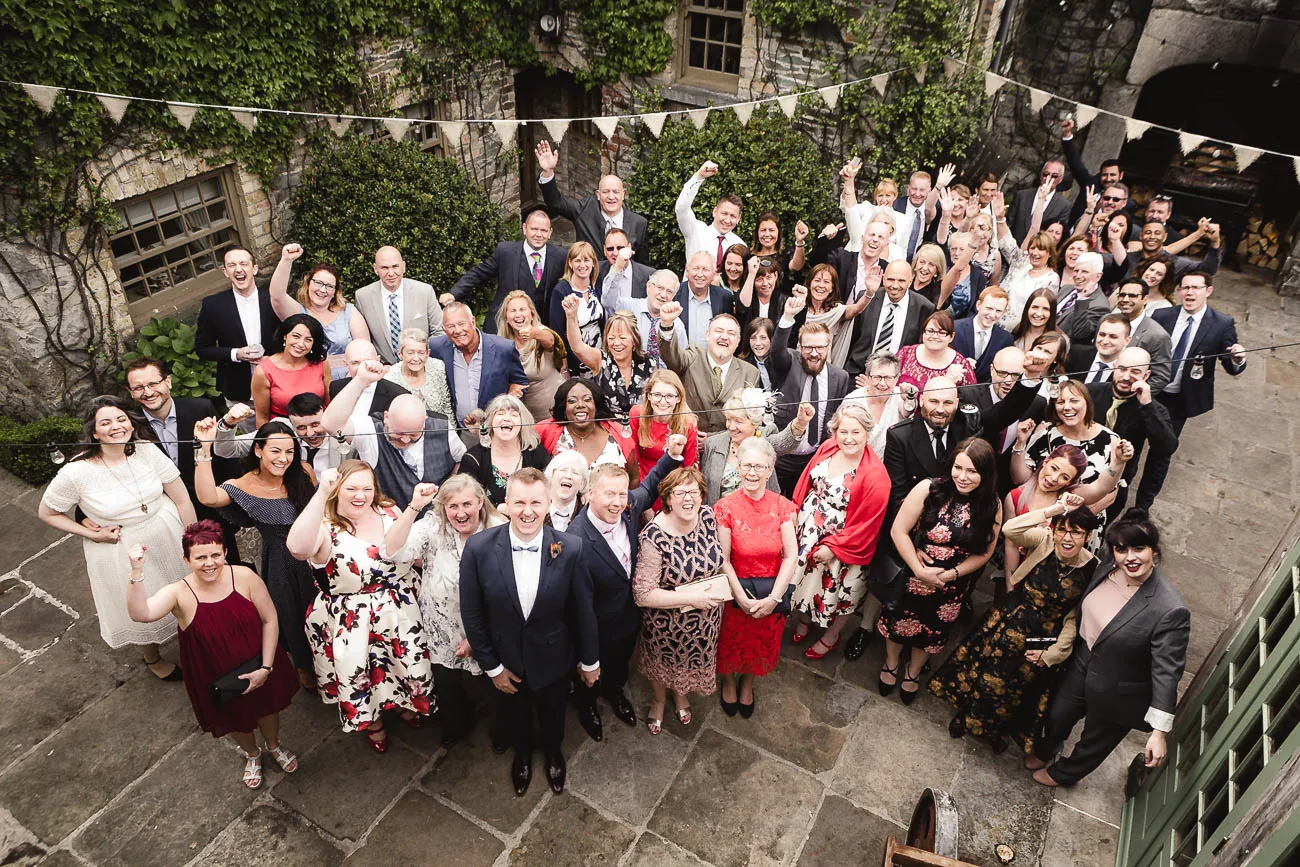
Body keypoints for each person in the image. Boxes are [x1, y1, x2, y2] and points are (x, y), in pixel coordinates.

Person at [459, 467, 600, 795]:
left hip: (554, 656)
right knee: (514, 713)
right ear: (506, 503)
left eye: (536, 502)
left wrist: (589, 660)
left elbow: (584, 611)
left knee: (554, 713)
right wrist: (492, 667)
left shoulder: (571, 548)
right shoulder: (479, 549)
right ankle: (522, 755)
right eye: (519, 502)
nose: (527, 511)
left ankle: (553, 753)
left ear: (549, 503)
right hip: (506, 658)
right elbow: (473, 613)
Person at [125, 523, 299, 788]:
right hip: (215, 671)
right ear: (187, 560)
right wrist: (136, 571)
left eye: (215, 555)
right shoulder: (178, 593)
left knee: (268, 708)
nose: (209, 563)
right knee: (235, 718)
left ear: (225, 552)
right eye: (200, 557)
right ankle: (253, 755)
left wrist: (265, 667)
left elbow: (270, 619)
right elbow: (141, 614)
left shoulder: (244, 576)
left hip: (259, 660)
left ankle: (273, 745)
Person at [1027, 509, 1190, 788]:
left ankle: (1066, 773)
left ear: (1155, 552)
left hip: (1121, 686)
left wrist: (1159, 731)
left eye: (1139, 549)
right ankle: (1046, 749)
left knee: (1095, 738)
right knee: (1059, 713)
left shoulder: (1170, 609)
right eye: (1122, 549)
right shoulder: (1107, 566)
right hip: (1083, 659)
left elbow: (1168, 672)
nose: (1130, 558)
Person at [37, 396, 197, 679]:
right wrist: (91, 534)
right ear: (94, 432)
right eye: (106, 422)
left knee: (185, 588)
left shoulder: (146, 450)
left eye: (121, 419)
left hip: (167, 531)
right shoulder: (76, 472)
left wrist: (194, 538)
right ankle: (152, 658)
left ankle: (196, 641)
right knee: (142, 600)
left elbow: (181, 496)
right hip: (123, 547)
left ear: (131, 423)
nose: (116, 426)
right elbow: (47, 513)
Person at [931, 494, 1098, 755]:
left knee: (1016, 690)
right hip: (1010, 618)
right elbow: (1011, 529)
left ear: (1088, 537)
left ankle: (994, 730)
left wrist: (1053, 653)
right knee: (985, 672)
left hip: (1043, 636)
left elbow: (1075, 618)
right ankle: (967, 719)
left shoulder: (1092, 569)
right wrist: (1055, 510)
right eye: (1062, 530)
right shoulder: (1044, 540)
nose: (1067, 538)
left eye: (1076, 533)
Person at [288, 462, 435, 751]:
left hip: (401, 609)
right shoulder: (323, 528)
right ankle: (375, 720)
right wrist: (320, 495)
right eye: (351, 488)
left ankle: (404, 703)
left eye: (367, 488)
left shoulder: (390, 511)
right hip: (353, 618)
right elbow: (297, 548)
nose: (361, 495)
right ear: (336, 489)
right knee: (363, 671)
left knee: (403, 665)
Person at [568, 439, 687, 740]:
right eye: (609, 494)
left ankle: (615, 692)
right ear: (589, 494)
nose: (617, 502)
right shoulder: (576, 542)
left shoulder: (629, 506)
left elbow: (647, 489)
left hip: (628, 617)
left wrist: (671, 457)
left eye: (621, 494)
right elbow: (579, 607)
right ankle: (587, 707)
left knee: (620, 665)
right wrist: (588, 659)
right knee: (589, 678)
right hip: (597, 624)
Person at [194, 418, 318, 688]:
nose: (283, 458)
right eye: (275, 451)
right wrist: (203, 449)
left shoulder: (304, 472)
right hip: (283, 562)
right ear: (258, 450)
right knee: (292, 614)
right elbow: (207, 498)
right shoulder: (243, 485)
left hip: (318, 555)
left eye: (289, 451)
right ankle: (303, 664)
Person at [877, 438, 1002, 704]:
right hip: (913, 573)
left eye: (973, 471)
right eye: (959, 468)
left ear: (986, 473)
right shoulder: (928, 488)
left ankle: (913, 671)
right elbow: (898, 530)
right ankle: (891, 663)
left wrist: (951, 575)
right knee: (899, 624)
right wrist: (917, 569)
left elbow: (986, 553)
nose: (963, 477)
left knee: (932, 631)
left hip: (950, 584)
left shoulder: (992, 504)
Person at [386, 475, 505, 748]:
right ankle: (456, 726)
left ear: (480, 502)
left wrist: (477, 637)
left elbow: (505, 592)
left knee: (490, 687)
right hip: (441, 629)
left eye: (467, 504)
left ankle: (502, 732)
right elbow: (391, 552)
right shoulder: (432, 525)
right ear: (443, 508)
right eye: (453, 506)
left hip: (487, 629)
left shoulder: (498, 529)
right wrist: (414, 506)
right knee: (449, 687)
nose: (461, 513)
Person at [788, 403, 891, 659]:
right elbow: (806, 481)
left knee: (842, 591)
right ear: (835, 431)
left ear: (868, 433)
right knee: (803, 581)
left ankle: (831, 635)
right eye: (843, 431)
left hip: (843, 541)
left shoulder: (877, 476)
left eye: (856, 432)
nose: (849, 438)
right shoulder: (827, 448)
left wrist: (833, 548)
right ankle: (804, 618)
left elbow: (868, 524)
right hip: (807, 531)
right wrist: (794, 511)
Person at [633, 466, 730, 734]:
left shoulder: (708, 517)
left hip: (705, 620)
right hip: (667, 624)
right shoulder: (655, 536)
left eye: (695, 492)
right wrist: (691, 598)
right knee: (662, 665)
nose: (689, 499)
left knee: (688, 665)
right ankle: (659, 700)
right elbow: (643, 594)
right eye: (681, 492)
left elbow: (722, 559)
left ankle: (680, 693)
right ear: (667, 498)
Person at [1138, 271, 1247, 509]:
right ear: (1178, 291)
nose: (1189, 293)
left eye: (1196, 288)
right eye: (1185, 288)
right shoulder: (1161, 315)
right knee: (1132, 443)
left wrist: (1238, 358)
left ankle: (1142, 507)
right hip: (1148, 391)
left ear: (1208, 291)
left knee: (1161, 452)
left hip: (1178, 400)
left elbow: (1231, 364)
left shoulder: (1221, 324)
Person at [714, 438, 799, 717]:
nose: (752, 472)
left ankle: (748, 680)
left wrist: (774, 599)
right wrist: (740, 598)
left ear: (770, 468)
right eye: (746, 465)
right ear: (738, 466)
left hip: (771, 591)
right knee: (729, 642)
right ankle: (727, 679)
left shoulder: (783, 507)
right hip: (735, 591)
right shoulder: (725, 507)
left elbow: (790, 555)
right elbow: (723, 559)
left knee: (760, 643)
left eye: (758, 466)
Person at [124, 357, 240, 559]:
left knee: (227, 568)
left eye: (153, 383)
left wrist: (231, 499)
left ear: (167, 381)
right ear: (131, 392)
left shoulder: (200, 409)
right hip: (163, 517)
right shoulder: (128, 426)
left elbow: (224, 458)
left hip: (210, 510)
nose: (148, 392)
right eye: (139, 387)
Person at [320, 361, 465, 511]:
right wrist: (360, 380)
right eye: (399, 433)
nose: (405, 439)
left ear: (425, 421)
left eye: (414, 435)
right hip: (389, 523)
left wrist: (449, 492)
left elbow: (462, 461)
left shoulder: (442, 427)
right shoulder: (371, 429)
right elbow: (330, 424)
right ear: (386, 417)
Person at [1013, 381, 1133, 512]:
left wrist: (1080, 519)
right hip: (1038, 513)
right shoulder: (1044, 432)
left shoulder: (1111, 440)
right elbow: (1020, 479)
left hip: (1082, 521)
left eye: (1074, 401)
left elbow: (1109, 490)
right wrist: (1020, 443)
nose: (1067, 407)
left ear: (1087, 402)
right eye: (1060, 402)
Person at [769, 308, 852, 495]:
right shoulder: (789, 364)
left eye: (820, 348)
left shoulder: (840, 377)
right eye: (808, 348)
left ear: (828, 347)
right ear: (800, 347)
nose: (814, 354)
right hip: (782, 459)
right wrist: (788, 317)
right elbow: (776, 353)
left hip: (815, 460)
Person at [1088, 347, 1180, 516]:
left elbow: (1166, 447)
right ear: (1114, 366)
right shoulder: (1090, 392)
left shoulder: (1154, 409)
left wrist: (1147, 406)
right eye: (1122, 369)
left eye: (1135, 372)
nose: (1126, 377)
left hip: (1116, 485)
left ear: (1146, 376)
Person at [445, 208, 567, 334]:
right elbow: (479, 273)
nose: (539, 234)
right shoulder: (506, 251)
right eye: (534, 229)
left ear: (550, 232)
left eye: (543, 230)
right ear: (525, 228)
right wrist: (454, 293)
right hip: (504, 327)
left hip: (541, 328)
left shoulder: (561, 256)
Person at [268, 244, 369, 378]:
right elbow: (277, 295)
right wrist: (286, 260)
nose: (322, 290)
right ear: (308, 284)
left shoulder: (348, 312)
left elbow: (365, 349)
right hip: (310, 378)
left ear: (335, 292)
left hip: (349, 377)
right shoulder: (298, 313)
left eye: (329, 286)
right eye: (318, 283)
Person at [536, 140, 648, 259]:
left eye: (615, 192)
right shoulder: (585, 210)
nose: (611, 197)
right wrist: (548, 172)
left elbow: (642, 265)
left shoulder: (639, 223)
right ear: (598, 195)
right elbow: (556, 203)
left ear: (623, 194)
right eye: (606, 192)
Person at [195, 247, 281, 402]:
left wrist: (273, 359)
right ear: (225, 271)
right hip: (239, 391)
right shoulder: (212, 305)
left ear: (254, 269)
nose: (238, 269)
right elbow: (202, 349)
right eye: (232, 265)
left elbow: (290, 340)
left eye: (243, 263)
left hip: (278, 385)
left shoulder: (274, 300)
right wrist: (236, 354)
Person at [427, 302, 529, 432]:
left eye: (461, 323)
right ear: (444, 329)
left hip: (495, 429)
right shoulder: (436, 348)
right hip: (458, 432)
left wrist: (510, 398)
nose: (457, 330)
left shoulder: (503, 349)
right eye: (451, 326)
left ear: (473, 322)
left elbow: (520, 383)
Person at [657, 306, 759, 434]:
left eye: (731, 333)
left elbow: (750, 421)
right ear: (708, 335)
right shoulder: (693, 356)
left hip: (728, 446)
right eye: (719, 331)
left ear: (738, 341)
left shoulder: (750, 373)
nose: (724, 337)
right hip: (686, 441)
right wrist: (666, 325)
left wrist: (713, 439)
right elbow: (672, 357)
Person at [701, 389, 808, 504]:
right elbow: (704, 488)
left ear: (755, 422)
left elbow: (784, 442)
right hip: (722, 517)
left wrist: (800, 424)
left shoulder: (764, 439)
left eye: (738, 421)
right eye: (728, 420)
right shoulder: (713, 444)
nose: (731, 427)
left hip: (761, 516)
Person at [1002, 444, 1089, 574]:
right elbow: (1010, 546)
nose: (1054, 478)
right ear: (1046, 461)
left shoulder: (1070, 505)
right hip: (1019, 572)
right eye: (1054, 468)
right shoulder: (1015, 497)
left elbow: (1102, 488)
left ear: (1069, 483)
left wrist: (1118, 463)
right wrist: (1010, 587)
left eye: (1064, 477)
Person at [354, 246, 444, 364]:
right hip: (385, 372)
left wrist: (421, 357)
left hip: (422, 367)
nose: (391, 273)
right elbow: (364, 341)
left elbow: (439, 332)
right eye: (384, 268)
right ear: (375, 269)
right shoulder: (363, 296)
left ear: (404, 266)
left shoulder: (424, 291)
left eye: (395, 266)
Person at [564, 305, 654, 423]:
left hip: (640, 429)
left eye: (622, 338)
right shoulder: (600, 360)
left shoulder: (648, 363)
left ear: (634, 339)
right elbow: (577, 347)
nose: (616, 343)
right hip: (607, 432)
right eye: (611, 338)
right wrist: (571, 316)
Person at [846, 260, 936, 377]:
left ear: (910, 281)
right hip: (860, 373)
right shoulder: (868, 297)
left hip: (899, 377)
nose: (895, 285)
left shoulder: (924, 307)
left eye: (901, 281)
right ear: (883, 279)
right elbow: (853, 337)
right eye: (890, 279)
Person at [459, 394, 551, 507]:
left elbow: (549, 493)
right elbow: (463, 502)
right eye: (500, 413)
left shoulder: (536, 452)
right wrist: (496, 511)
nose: (507, 418)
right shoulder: (473, 458)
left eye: (514, 414)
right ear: (490, 422)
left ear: (523, 423)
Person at [535, 378, 637, 474]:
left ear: (596, 406)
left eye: (587, 399)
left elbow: (634, 477)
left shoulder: (618, 432)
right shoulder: (544, 431)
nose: (580, 405)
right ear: (564, 409)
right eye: (572, 401)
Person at [495, 289, 566, 422]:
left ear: (531, 314)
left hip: (555, 412)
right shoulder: (501, 344)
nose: (518, 315)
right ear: (506, 318)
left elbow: (551, 340)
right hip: (525, 417)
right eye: (513, 311)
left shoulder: (541, 332)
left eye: (522, 309)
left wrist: (534, 334)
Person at [250, 313, 330, 427]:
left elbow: (329, 404)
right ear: (285, 336)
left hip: (318, 428)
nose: (301, 344)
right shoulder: (264, 370)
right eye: (296, 336)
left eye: (308, 340)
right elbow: (262, 417)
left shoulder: (321, 363)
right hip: (283, 430)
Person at [786, 264, 870, 368]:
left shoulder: (836, 311)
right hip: (796, 368)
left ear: (831, 288)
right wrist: (800, 301)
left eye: (826, 282)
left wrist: (869, 293)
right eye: (817, 280)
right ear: (809, 283)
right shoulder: (797, 308)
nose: (821, 285)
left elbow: (856, 309)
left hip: (823, 371)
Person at [602, 268, 687, 370]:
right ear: (649, 287)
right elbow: (608, 301)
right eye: (660, 288)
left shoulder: (676, 325)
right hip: (628, 378)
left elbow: (682, 362)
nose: (663, 295)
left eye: (669, 291)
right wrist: (617, 268)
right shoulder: (629, 307)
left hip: (661, 381)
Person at [628, 370, 700, 487]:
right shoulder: (637, 414)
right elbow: (633, 459)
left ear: (678, 398)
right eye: (657, 395)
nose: (662, 401)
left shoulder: (689, 423)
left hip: (675, 484)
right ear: (649, 396)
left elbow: (690, 467)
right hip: (643, 482)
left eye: (669, 396)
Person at [546, 242, 604, 371]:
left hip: (599, 357)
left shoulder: (596, 285)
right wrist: (564, 366)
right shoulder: (561, 291)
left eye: (586, 260)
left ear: (593, 263)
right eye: (578, 261)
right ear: (570, 263)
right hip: (576, 361)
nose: (582, 265)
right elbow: (558, 333)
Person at [997, 214, 1061, 330]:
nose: (1035, 253)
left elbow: (1043, 310)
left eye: (1041, 249)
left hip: (1018, 330)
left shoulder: (1051, 279)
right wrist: (1000, 218)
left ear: (1050, 253)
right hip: (994, 319)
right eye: (1032, 248)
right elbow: (1007, 242)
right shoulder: (1021, 263)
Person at [676, 160, 744, 267]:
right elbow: (681, 209)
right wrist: (699, 176)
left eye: (733, 216)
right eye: (724, 213)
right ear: (715, 211)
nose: (727, 220)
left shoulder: (740, 245)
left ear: (739, 218)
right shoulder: (695, 230)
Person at [1060, 117, 1125, 227]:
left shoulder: (1124, 197)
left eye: (1112, 175)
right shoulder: (1090, 184)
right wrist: (1067, 135)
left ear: (1121, 175)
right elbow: (1075, 162)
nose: (1108, 179)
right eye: (1105, 175)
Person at [1112, 280, 1173, 392]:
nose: (1125, 299)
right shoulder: (1107, 321)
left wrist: (1131, 396)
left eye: (1132, 296)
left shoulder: (1157, 335)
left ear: (1145, 299)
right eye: (1122, 295)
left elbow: (1160, 377)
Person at [896, 311, 976, 394]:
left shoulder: (961, 364)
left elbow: (971, 399)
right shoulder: (906, 354)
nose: (934, 336)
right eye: (930, 331)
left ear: (951, 337)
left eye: (941, 333)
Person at [326, 340, 407, 422]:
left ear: (378, 361)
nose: (362, 368)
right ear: (347, 365)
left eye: (367, 362)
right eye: (355, 363)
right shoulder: (336, 387)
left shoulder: (398, 395)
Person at [383, 328, 454, 419]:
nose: (416, 358)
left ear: (428, 353)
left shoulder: (438, 367)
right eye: (410, 353)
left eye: (421, 353)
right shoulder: (390, 378)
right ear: (400, 354)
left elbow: (447, 407)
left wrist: (451, 432)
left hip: (439, 428)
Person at [953, 286, 1015, 382]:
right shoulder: (955, 328)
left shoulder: (1006, 339)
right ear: (978, 305)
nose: (992, 315)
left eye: (998, 311)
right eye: (989, 308)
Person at [675, 251, 736, 346]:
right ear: (687, 271)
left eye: (705, 269)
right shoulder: (674, 294)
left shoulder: (724, 298)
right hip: (680, 359)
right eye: (696, 268)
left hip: (712, 359)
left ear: (714, 274)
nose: (700, 274)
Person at [1007, 161, 1072, 244]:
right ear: (1041, 176)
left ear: (1060, 179)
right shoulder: (1022, 195)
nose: (1049, 178)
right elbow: (1009, 223)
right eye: (1046, 174)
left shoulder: (1064, 205)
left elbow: (1057, 235)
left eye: (1054, 176)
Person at [1057, 252, 1111, 348]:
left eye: (1084, 272)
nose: (1078, 276)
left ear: (1098, 276)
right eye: (1076, 270)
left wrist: (1083, 299)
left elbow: (1079, 333)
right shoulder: (1066, 289)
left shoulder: (1100, 305)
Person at [1067, 313, 1131, 385]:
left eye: (1113, 337)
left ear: (1127, 341)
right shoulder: (1077, 353)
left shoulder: (1129, 369)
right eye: (1102, 335)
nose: (1105, 341)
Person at [749, 212, 808, 291]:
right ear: (757, 233)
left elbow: (797, 266)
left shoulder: (785, 254)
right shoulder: (749, 256)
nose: (767, 234)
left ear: (778, 232)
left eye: (771, 230)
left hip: (781, 301)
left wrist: (799, 241)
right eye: (763, 230)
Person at [736, 255, 792, 336]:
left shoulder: (784, 299)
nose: (765, 283)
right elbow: (742, 308)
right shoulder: (747, 295)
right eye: (759, 279)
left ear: (775, 276)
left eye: (769, 277)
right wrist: (752, 273)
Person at [597, 227, 656, 302]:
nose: (615, 253)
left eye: (620, 248)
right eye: (610, 249)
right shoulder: (596, 271)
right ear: (604, 250)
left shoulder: (648, 275)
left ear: (629, 247)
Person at [543, 450, 589, 531]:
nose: (568, 476)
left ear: (582, 483)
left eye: (575, 472)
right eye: (563, 470)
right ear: (552, 474)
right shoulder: (536, 507)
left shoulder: (587, 514)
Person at [1011, 287, 1059, 352]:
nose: (1039, 313)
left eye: (1045, 309)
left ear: (1052, 313)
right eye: (1035, 307)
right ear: (1027, 309)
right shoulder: (1013, 329)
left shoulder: (1059, 340)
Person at [741, 317, 776, 390]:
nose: (758, 343)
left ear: (772, 339)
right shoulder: (742, 365)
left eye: (763, 338)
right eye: (753, 338)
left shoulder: (781, 361)